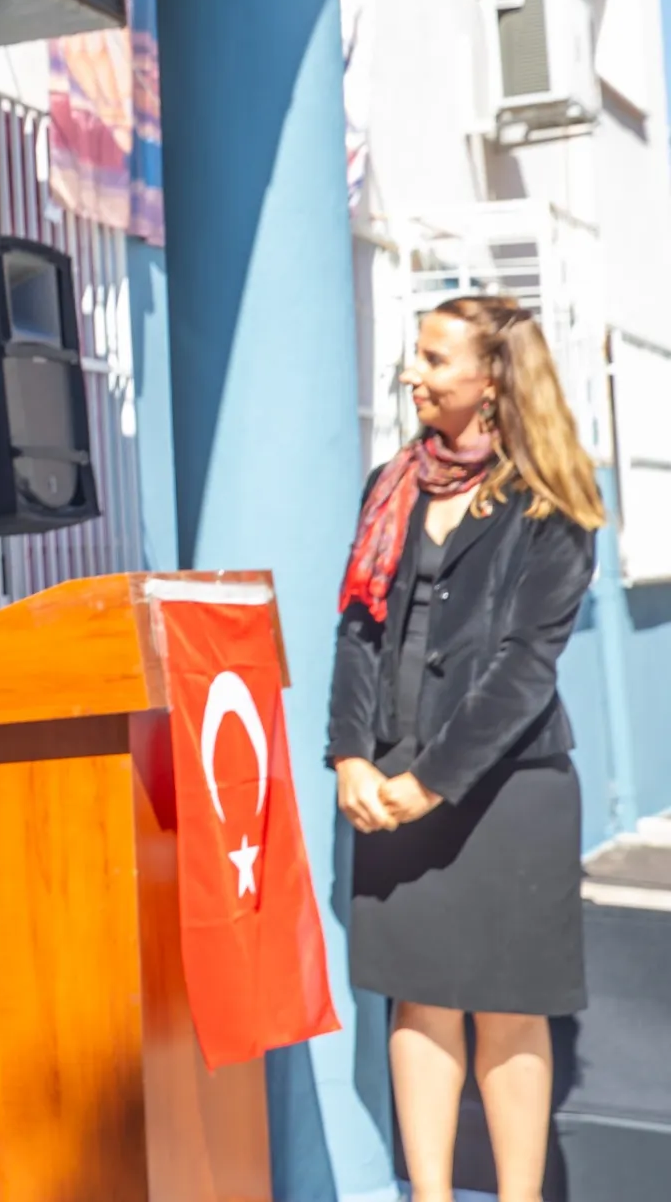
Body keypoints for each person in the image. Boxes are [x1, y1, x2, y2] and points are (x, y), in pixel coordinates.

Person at [326, 295, 606, 1202]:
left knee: (510, 1010)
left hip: (506, 793)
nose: (414, 374)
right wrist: (351, 759)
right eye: (416, 356)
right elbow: (359, 631)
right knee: (419, 999)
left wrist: (429, 784)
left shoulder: (552, 500)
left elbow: (525, 668)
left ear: (490, 380)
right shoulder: (390, 486)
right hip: (393, 777)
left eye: (434, 360)